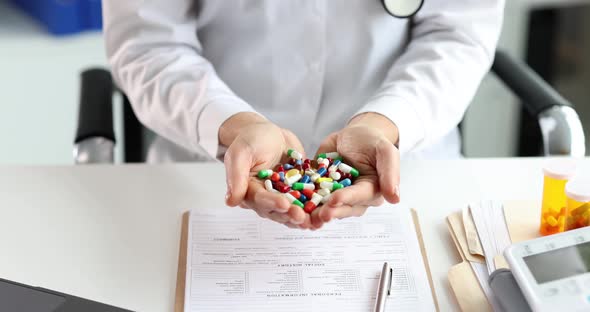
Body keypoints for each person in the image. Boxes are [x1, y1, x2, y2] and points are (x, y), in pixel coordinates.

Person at [103, 0, 504, 230]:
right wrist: (236, 124)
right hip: (208, 177)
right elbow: (148, 43)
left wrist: (382, 124)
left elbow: (458, 36)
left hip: (406, 169)